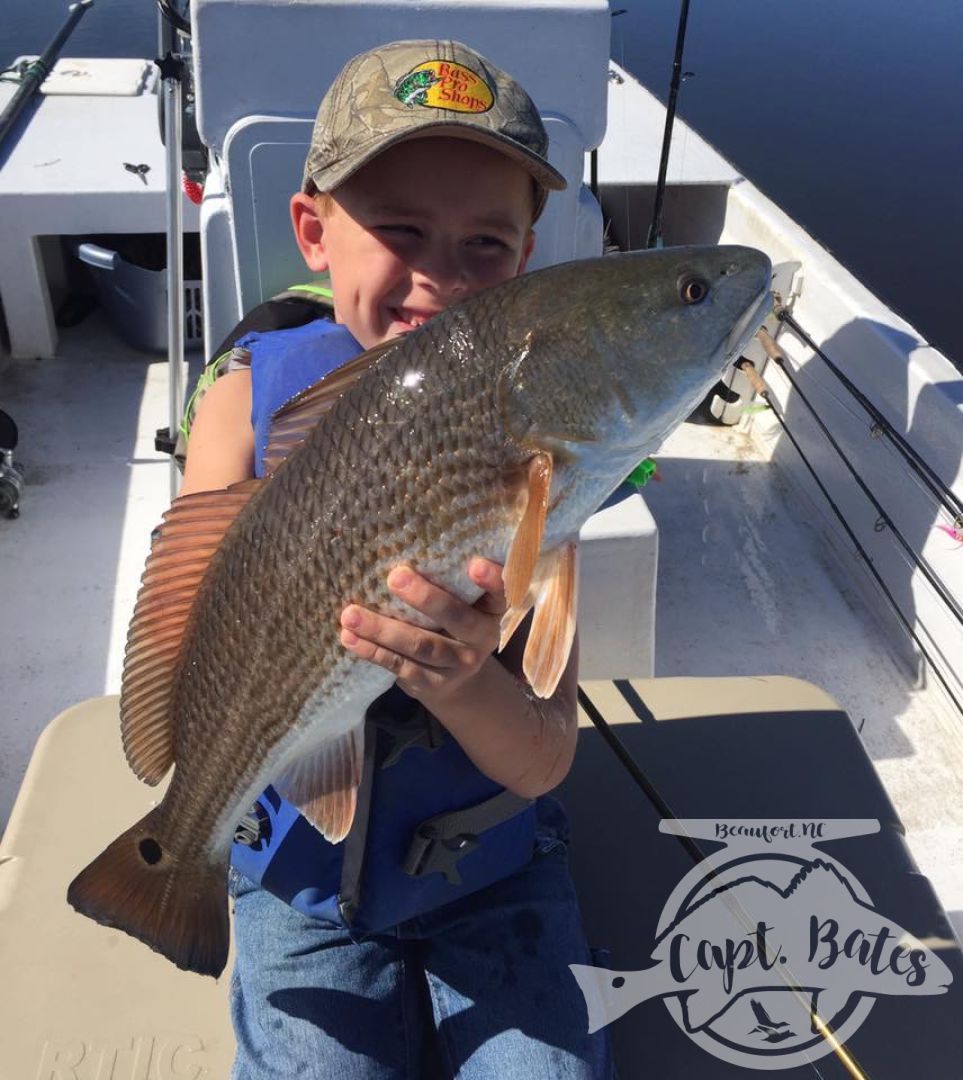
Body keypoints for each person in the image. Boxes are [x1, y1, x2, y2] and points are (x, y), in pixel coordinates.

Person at [181, 39, 613, 1079]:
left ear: (526, 257)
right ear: (312, 231)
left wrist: (463, 682)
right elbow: (190, 630)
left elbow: (546, 757)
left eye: (486, 246)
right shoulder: (246, 401)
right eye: (401, 230)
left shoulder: (535, 449)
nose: (440, 276)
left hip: (493, 865)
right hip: (298, 867)